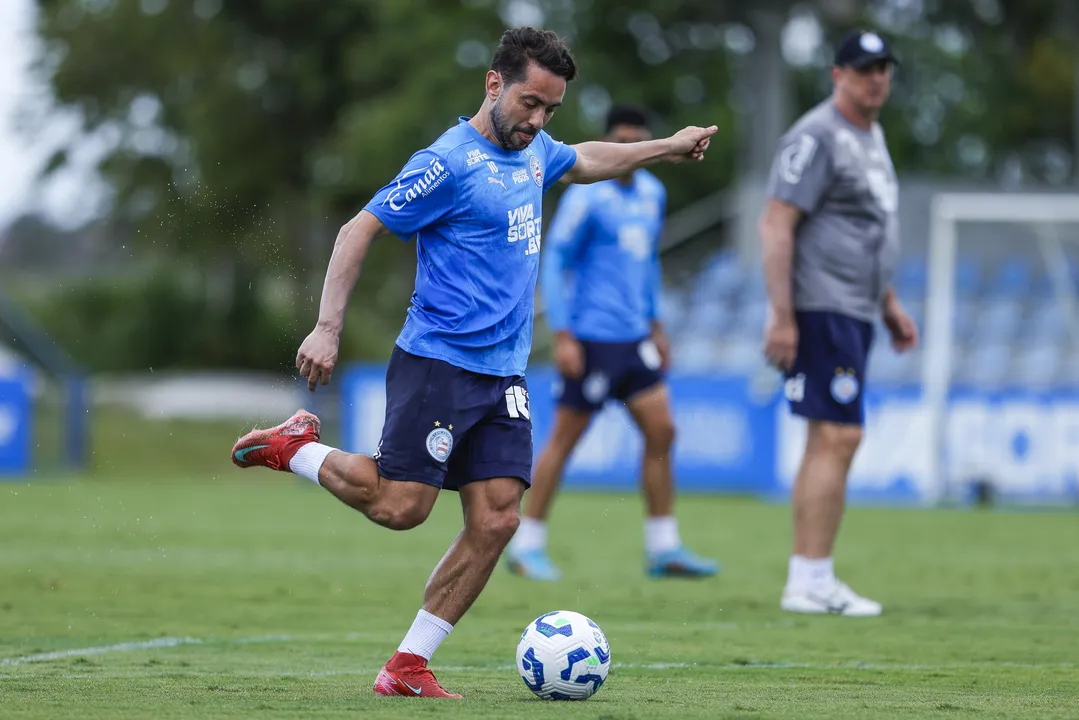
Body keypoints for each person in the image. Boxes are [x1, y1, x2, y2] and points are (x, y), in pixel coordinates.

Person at [231, 27, 716, 699]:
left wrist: (665, 146)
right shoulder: (447, 163)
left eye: (550, 109)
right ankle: (295, 449)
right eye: (529, 102)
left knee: (497, 520)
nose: (538, 120)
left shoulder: (535, 149)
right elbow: (357, 229)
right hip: (438, 363)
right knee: (402, 508)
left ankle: (407, 666)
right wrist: (326, 327)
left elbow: (585, 158)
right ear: (494, 84)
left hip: (503, 373)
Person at [504, 105, 718, 582]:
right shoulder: (587, 197)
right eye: (621, 141)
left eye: (636, 140)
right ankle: (527, 544)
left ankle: (663, 547)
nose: (629, 148)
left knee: (662, 432)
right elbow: (555, 263)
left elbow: (648, 263)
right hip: (592, 341)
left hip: (635, 338)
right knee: (564, 442)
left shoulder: (653, 193)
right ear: (609, 141)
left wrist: (656, 324)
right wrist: (563, 335)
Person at [758, 29, 917, 617]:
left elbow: (864, 229)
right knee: (838, 435)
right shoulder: (816, 135)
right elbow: (776, 224)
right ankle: (810, 580)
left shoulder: (871, 136)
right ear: (838, 74)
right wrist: (782, 316)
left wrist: (888, 303)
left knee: (829, 437)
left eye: (883, 68)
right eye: (864, 68)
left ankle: (810, 576)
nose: (876, 78)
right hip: (821, 305)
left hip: (854, 307)